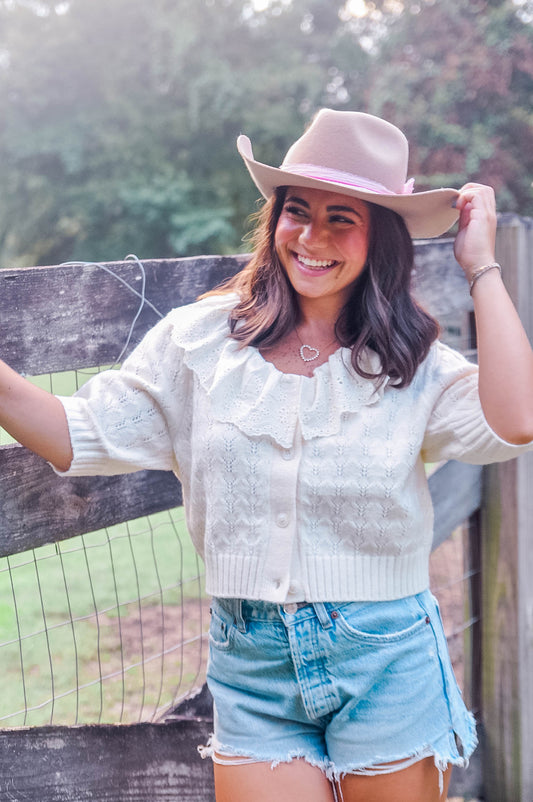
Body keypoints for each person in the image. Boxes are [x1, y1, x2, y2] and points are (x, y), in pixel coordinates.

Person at [1, 109, 533, 802]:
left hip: (388, 659)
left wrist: (481, 267)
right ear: (274, 216)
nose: (311, 237)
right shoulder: (200, 342)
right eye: (297, 211)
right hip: (251, 661)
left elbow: (516, 420)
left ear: (381, 237)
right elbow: (76, 432)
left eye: (341, 218)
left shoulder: (409, 362)